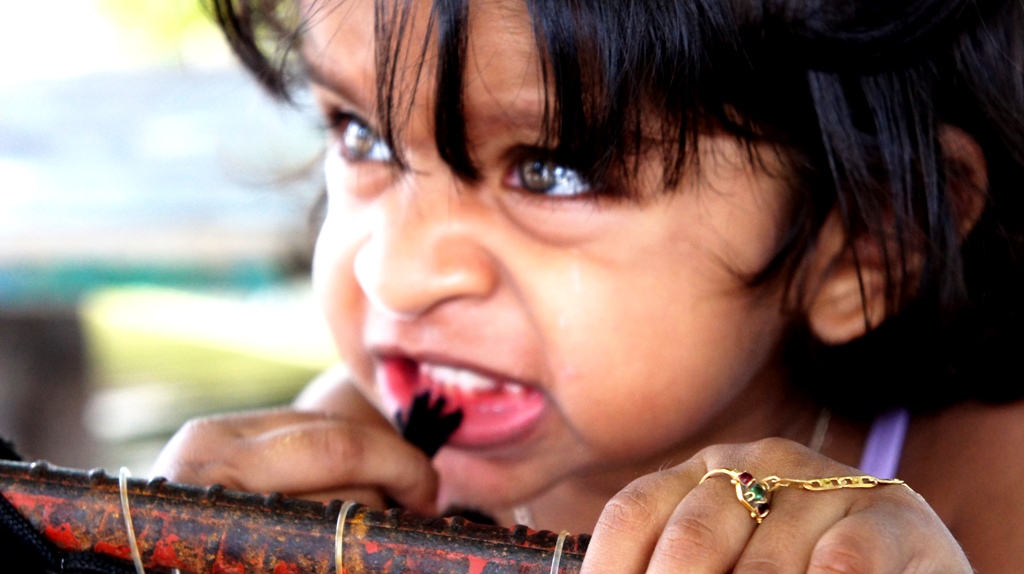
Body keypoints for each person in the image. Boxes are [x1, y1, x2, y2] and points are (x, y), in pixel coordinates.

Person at [153, 0, 1024, 571]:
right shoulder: (340, 481)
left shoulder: (991, 495)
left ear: (865, 243)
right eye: (361, 138)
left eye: (551, 172)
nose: (396, 273)